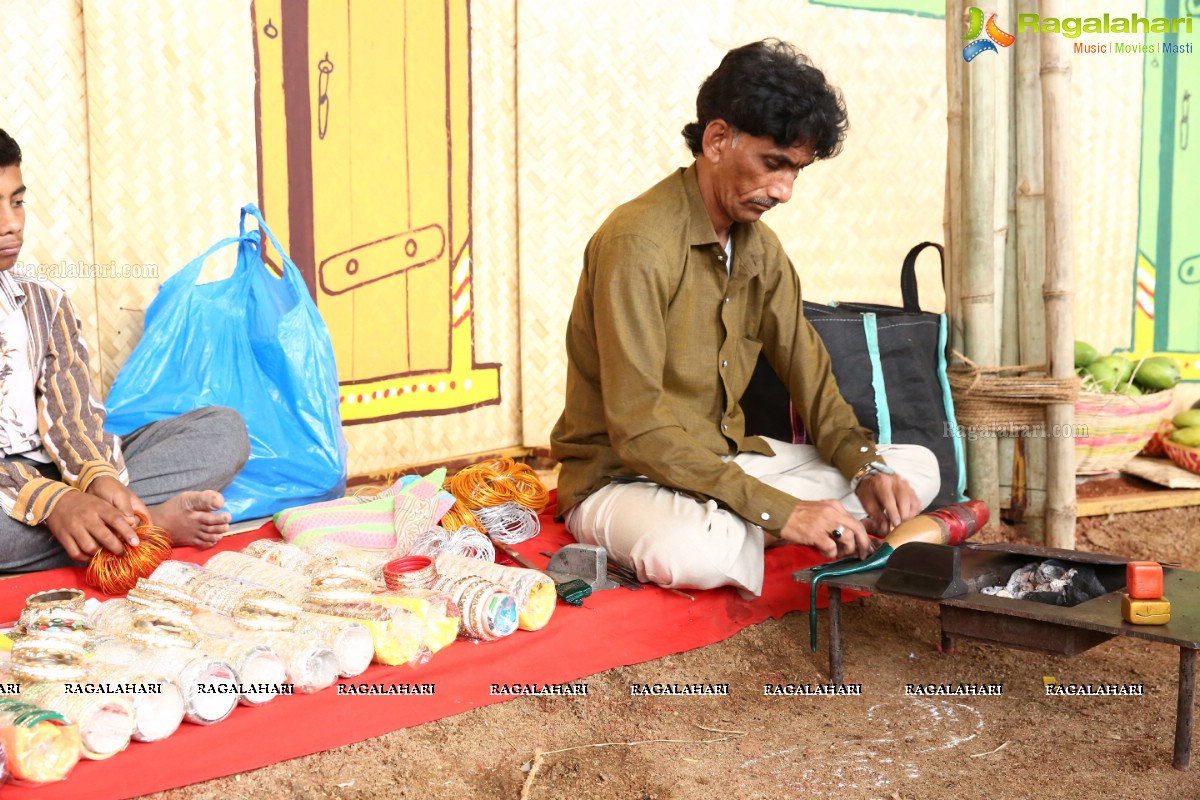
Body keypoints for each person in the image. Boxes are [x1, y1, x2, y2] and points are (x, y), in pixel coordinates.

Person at [550, 40, 941, 597]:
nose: (783, 190)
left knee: (913, 468)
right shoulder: (637, 242)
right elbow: (638, 429)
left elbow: (812, 374)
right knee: (691, 550)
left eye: (796, 172)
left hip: (724, 465)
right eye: (773, 163)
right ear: (716, 139)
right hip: (625, 479)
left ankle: (763, 524)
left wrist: (865, 469)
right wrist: (778, 509)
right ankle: (771, 526)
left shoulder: (761, 250)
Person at [0, 128, 250, 572]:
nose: (12, 223)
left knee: (224, 431)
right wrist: (55, 503)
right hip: (11, 500)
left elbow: (72, 417)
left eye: (17, 201)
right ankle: (147, 525)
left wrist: (96, 479)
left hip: (55, 470)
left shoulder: (45, 301)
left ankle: (103, 524)